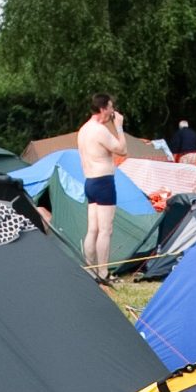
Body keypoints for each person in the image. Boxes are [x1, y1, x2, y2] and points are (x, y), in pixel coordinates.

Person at [77, 93, 127, 280]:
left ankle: (91, 270)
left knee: (93, 229)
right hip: (104, 182)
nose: (113, 111)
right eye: (111, 107)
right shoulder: (99, 130)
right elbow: (122, 150)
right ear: (103, 108)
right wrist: (119, 127)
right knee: (106, 230)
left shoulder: (83, 130)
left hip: (90, 182)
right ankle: (104, 273)